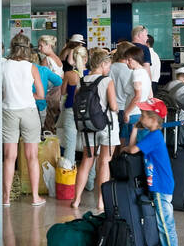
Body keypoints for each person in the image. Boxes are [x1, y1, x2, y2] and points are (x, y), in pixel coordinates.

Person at [124, 99, 179, 246]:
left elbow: (131, 149)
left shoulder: (154, 137)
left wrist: (133, 130)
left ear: (154, 119)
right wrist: (135, 130)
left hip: (161, 187)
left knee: (165, 224)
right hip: (159, 186)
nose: (141, 117)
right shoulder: (153, 135)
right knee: (163, 223)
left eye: (143, 115)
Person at [72, 48, 119, 211]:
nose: (109, 68)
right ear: (104, 64)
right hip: (106, 126)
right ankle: (101, 201)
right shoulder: (107, 81)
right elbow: (113, 106)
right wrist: (118, 108)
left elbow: (76, 103)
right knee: (104, 161)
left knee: (86, 160)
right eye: (109, 65)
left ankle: (76, 199)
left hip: (87, 126)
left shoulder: (82, 80)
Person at [2, 40, 46, 207]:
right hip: (29, 111)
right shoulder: (31, 67)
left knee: (9, 156)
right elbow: (41, 94)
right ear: (28, 49)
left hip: (9, 111)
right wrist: (28, 96)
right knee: (32, 156)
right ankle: (35, 197)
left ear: (11, 48)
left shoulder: (4, 65)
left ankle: (6, 198)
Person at [57, 44, 87, 175]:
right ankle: (90, 180)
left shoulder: (69, 74)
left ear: (73, 58)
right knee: (88, 146)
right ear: (85, 59)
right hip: (87, 112)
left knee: (70, 145)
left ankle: (69, 175)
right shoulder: (90, 74)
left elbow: (63, 92)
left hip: (70, 110)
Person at [119, 44, 152, 145]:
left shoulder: (136, 73)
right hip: (141, 112)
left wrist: (127, 113)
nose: (127, 63)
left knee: (129, 145)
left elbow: (137, 96)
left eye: (129, 60)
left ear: (136, 59)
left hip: (133, 114)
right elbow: (148, 95)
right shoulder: (144, 72)